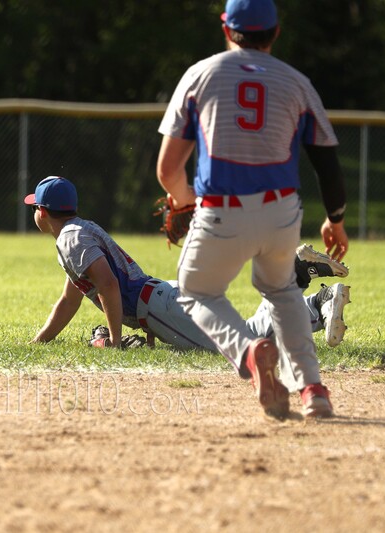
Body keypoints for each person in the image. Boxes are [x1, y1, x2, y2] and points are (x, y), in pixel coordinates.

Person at [155, 0, 348, 418]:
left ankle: (248, 351)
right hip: (281, 214)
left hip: (221, 211)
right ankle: (313, 389)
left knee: (196, 291)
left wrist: (182, 196)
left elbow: (168, 169)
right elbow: (327, 161)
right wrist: (336, 219)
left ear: (226, 27)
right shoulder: (297, 82)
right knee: (282, 291)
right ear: (275, 33)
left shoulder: (201, 74)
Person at [25, 176, 350, 409]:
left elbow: (108, 285)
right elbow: (70, 299)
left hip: (157, 307)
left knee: (242, 343)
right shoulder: (81, 229)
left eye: (34, 207)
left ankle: (308, 293)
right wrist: (41, 341)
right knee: (245, 333)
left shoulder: (70, 239)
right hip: (161, 299)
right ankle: (305, 287)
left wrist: (113, 341)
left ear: (42, 210)